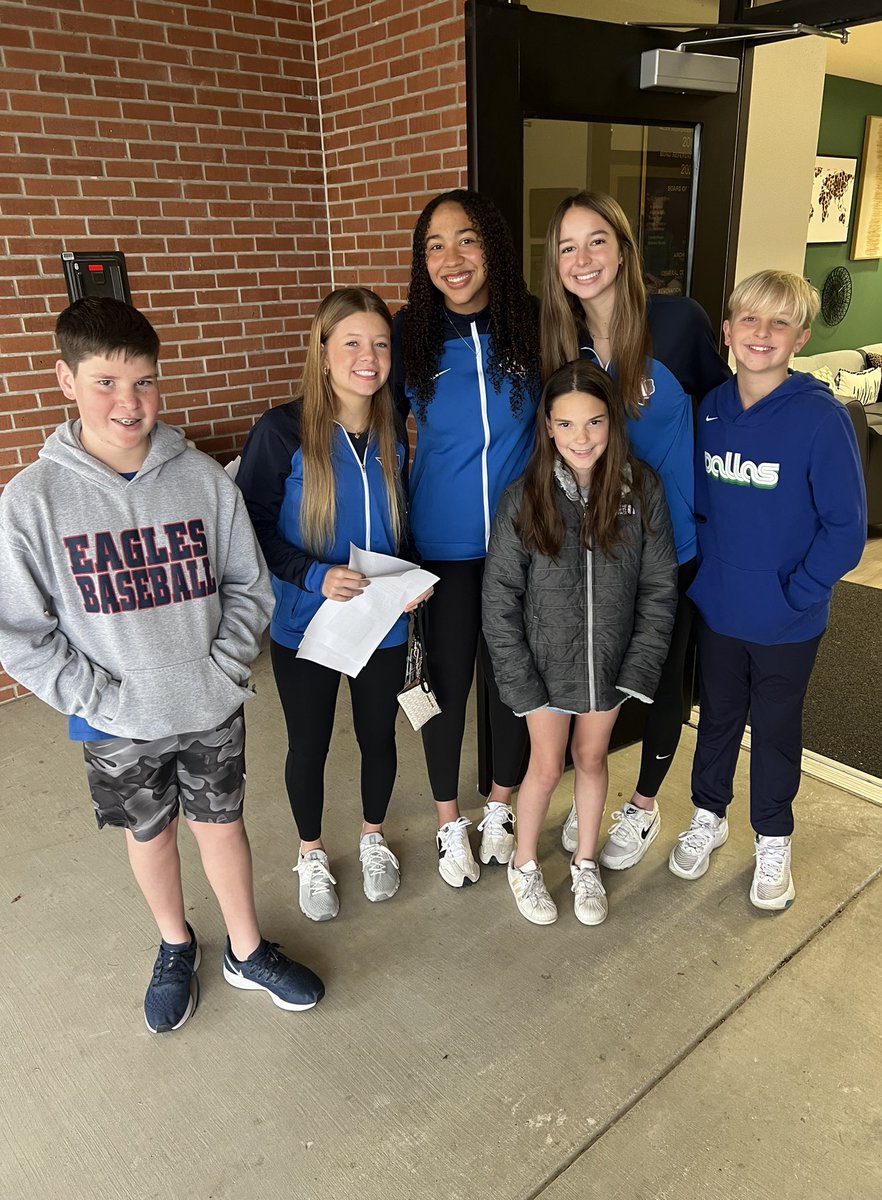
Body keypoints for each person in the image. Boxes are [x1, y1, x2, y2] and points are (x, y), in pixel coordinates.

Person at [0, 296, 324, 1033]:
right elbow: (17, 630)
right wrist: (95, 697)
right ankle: (176, 944)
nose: (128, 401)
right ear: (64, 380)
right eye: (106, 382)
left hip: (210, 702)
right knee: (149, 834)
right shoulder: (32, 502)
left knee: (224, 824)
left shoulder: (204, 480)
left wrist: (223, 667)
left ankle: (245, 950)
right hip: (118, 718)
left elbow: (248, 583)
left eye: (143, 381)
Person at [540, 190, 730, 871]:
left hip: (673, 545)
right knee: (599, 678)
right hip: (597, 552)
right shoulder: (561, 344)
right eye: (567, 246)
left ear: (622, 248)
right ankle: (591, 791)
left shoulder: (678, 323)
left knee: (657, 678)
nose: (583, 258)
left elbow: (729, 410)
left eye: (597, 241)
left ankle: (644, 806)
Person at [669, 269, 865, 909]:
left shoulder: (819, 418)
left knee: (776, 728)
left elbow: (845, 529)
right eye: (750, 320)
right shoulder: (713, 409)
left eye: (780, 322)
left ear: (801, 336)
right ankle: (708, 816)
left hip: (788, 619)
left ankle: (773, 837)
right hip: (721, 610)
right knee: (717, 720)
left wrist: (798, 593)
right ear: (726, 331)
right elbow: (697, 504)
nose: (763, 333)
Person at [237, 287, 428, 922]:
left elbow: (402, 524)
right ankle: (311, 852)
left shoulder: (392, 428)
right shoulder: (280, 431)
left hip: (380, 620)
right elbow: (252, 529)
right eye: (351, 342)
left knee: (379, 737)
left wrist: (412, 578)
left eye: (379, 343)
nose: (367, 356)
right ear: (322, 353)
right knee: (309, 743)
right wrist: (313, 576)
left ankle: (373, 838)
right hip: (306, 619)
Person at [482, 361, 677, 925]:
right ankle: (524, 864)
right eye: (565, 425)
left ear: (612, 422)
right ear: (547, 427)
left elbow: (659, 586)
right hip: (544, 671)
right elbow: (500, 598)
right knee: (544, 766)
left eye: (593, 422)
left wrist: (639, 666)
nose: (581, 438)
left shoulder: (642, 490)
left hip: (611, 666)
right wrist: (519, 681)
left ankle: (585, 862)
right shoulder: (525, 498)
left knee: (590, 759)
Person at [392, 189, 541, 887]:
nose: (452, 258)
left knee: (515, 683)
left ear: (494, 248)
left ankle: (501, 807)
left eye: (467, 240)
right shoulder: (409, 338)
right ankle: (450, 820)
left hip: (523, 547)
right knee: (445, 687)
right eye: (435, 245)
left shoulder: (534, 328)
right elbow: (373, 437)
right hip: (442, 549)